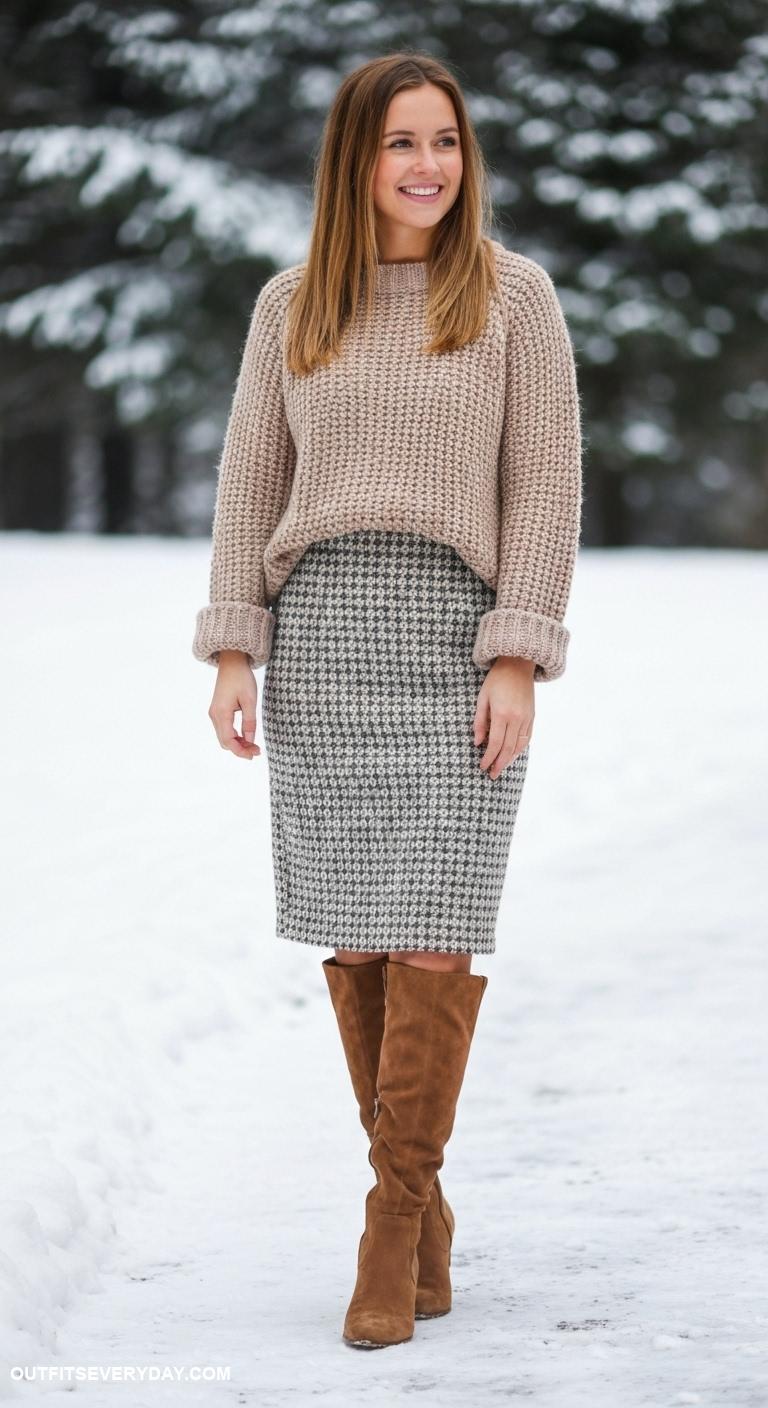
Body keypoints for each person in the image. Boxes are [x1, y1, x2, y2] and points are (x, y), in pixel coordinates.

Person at [192, 51, 582, 1350]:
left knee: (431, 933)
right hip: (322, 645)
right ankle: (421, 1209)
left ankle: (388, 1218)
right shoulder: (293, 305)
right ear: (352, 160)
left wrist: (516, 651)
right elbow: (251, 482)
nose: (429, 167)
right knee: (356, 938)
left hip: (451, 642)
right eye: (402, 143)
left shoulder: (514, 297)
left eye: (448, 143)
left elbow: (544, 486)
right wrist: (237, 648)